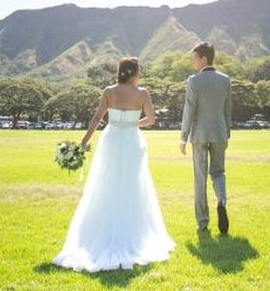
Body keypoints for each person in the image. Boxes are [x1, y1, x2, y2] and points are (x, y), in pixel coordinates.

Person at [53, 57, 175, 272]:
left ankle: (102, 230)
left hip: (111, 139)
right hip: (132, 140)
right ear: (135, 73)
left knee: (105, 182)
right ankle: (134, 233)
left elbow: (97, 118)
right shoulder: (142, 93)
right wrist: (133, 123)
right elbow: (152, 119)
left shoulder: (109, 91)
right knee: (132, 185)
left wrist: (83, 143)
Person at [180, 41, 232, 234]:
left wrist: (183, 137)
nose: (193, 62)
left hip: (199, 135)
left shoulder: (194, 81)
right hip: (219, 133)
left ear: (203, 58)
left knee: (200, 178)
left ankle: (203, 222)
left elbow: (189, 110)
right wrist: (227, 133)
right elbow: (228, 109)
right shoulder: (225, 80)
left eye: (195, 58)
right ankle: (222, 200)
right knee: (218, 172)